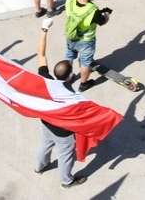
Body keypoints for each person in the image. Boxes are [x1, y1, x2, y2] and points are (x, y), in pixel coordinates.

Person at [34, 16, 87, 188]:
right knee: (65, 154)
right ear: (71, 76)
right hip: (63, 131)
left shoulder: (46, 80)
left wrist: (44, 29)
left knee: (45, 143)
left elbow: (41, 55)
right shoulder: (73, 95)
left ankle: (39, 167)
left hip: (46, 122)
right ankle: (67, 181)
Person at [62, 0, 110, 90]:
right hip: (86, 41)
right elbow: (104, 21)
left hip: (70, 35)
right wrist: (106, 13)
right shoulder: (93, 10)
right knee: (85, 62)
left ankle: (67, 76)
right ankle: (83, 84)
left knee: (69, 56)